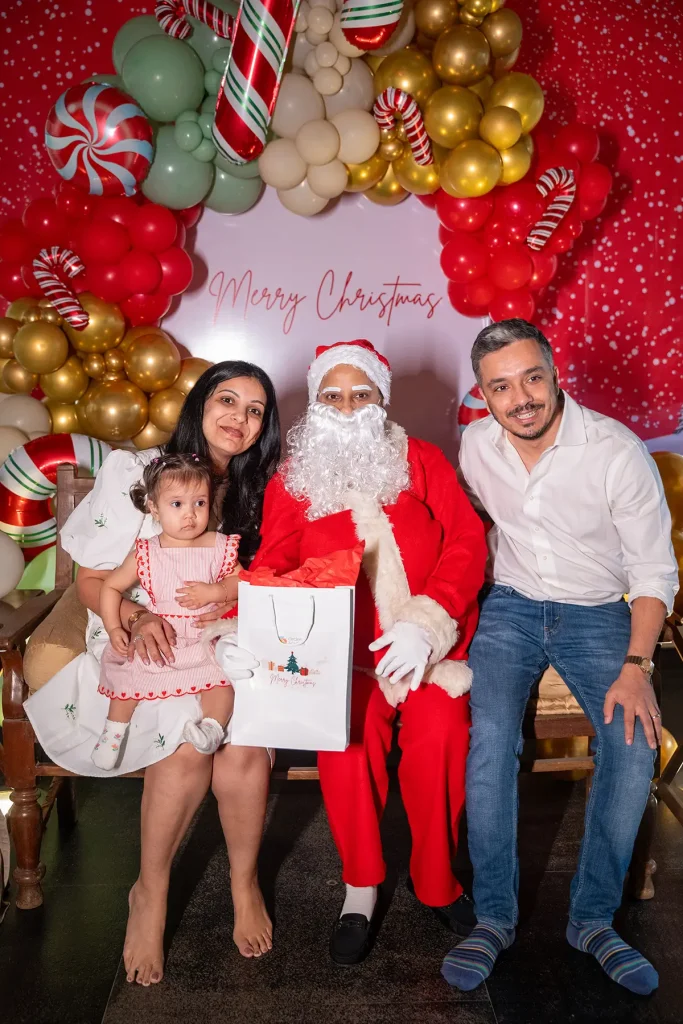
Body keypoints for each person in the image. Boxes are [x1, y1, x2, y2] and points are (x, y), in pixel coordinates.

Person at [220, 340, 487, 965]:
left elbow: (466, 542)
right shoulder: (295, 476)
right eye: (331, 396)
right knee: (346, 747)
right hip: (341, 660)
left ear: (382, 400)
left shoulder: (421, 460)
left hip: (424, 652)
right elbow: (274, 564)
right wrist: (246, 630)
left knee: (442, 738)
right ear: (315, 404)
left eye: (360, 394)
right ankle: (360, 887)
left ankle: (436, 880)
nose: (346, 408)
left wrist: (428, 622)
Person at [442, 319, 678, 996]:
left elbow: (653, 573)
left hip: (599, 610)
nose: (520, 398)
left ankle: (593, 919)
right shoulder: (476, 446)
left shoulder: (613, 450)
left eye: (531, 377)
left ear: (553, 373)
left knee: (633, 744)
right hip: (510, 606)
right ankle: (492, 917)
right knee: (486, 740)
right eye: (500, 386)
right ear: (482, 395)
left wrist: (637, 669)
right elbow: (456, 527)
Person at [25, 361, 281, 982]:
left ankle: (245, 885)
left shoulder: (262, 490)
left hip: (221, 642)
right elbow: (92, 581)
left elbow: (269, 583)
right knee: (183, 737)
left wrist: (233, 599)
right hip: (133, 636)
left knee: (244, 740)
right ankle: (152, 892)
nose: (238, 419)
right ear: (199, 404)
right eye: (227, 400)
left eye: (254, 410)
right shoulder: (136, 472)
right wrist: (137, 617)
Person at [93, 453, 241, 770]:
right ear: (154, 508)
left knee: (221, 680)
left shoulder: (218, 544)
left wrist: (218, 591)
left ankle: (212, 728)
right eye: (177, 505)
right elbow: (110, 587)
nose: (190, 515)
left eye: (199, 503)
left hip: (207, 636)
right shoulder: (148, 550)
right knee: (133, 671)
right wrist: (115, 628)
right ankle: (113, 733)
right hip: (165, 635)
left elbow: (243, 580)